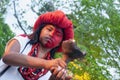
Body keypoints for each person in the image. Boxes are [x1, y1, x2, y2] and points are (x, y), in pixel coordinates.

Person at [0, 10, 74, 80]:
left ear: (59, 43)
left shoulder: (53, 67)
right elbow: (8, 57)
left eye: (57, 34)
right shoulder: (23, 40)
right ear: (40, 30)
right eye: (49, 29)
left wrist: (56, 77)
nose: (51, 34)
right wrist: (46, 64)